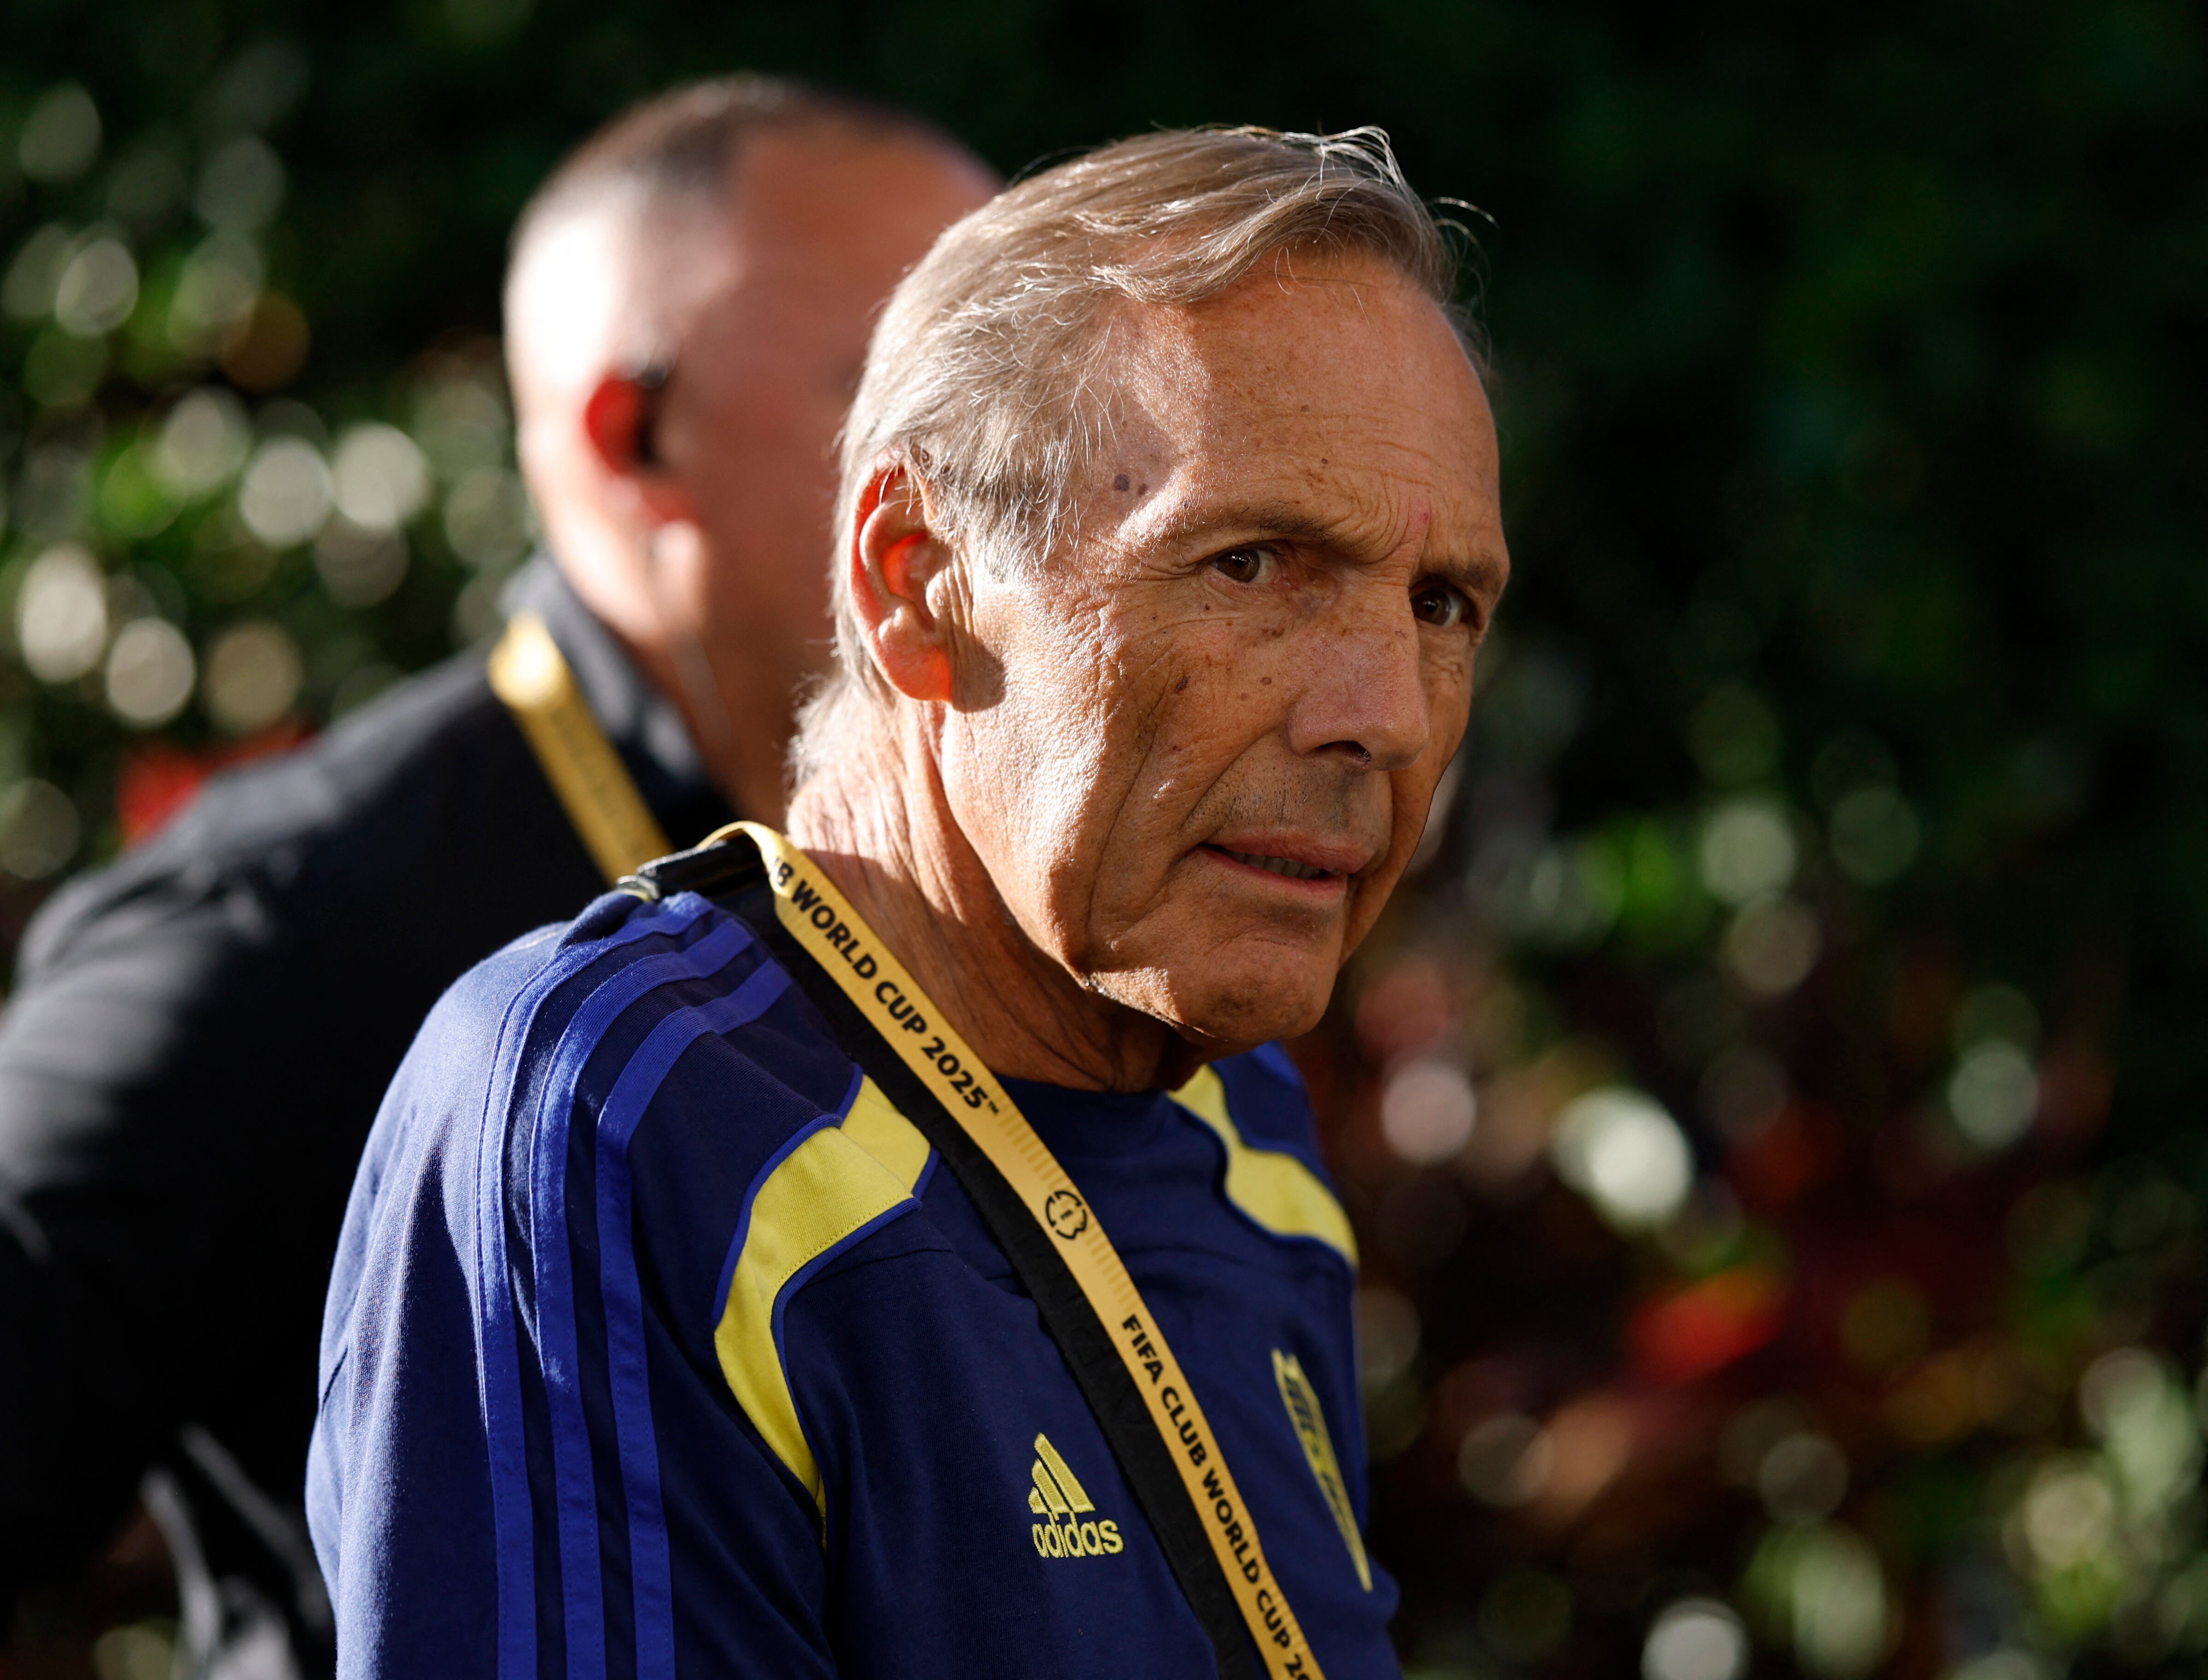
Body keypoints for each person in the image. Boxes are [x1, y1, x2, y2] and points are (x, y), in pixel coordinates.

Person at [311, 125, 1510, 1678]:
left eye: (1441, 605)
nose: (1388, 716)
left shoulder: (1247, 1124)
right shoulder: (617, 1108)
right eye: (1253, 565)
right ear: (917, 584)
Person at [0, 76, 993, 1676]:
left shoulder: (1025, 901)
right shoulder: (281, 937)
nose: (1020, 486)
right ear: (632, 437)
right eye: (916, 405)